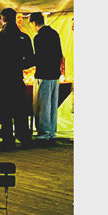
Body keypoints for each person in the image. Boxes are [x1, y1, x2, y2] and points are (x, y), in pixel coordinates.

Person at [0, 7, 35, 149]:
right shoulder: (24, 37)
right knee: (20, 109)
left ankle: (8, 138)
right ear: (15, 19)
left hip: (2, 79)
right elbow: (31, 60)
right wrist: (19, 65)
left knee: (5, 109)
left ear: (3, 20)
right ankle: (24, 137)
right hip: (17, 78)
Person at [29, 11, 64, 145]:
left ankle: (43, 133)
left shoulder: (39, 37)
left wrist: (28, 63)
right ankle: (52, 132)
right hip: (55, 75)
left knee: (42, 105)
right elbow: (59, 54)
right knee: (52, 105)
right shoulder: (54, 33)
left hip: (43, 74)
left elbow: (38, 57)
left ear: (33, 23)